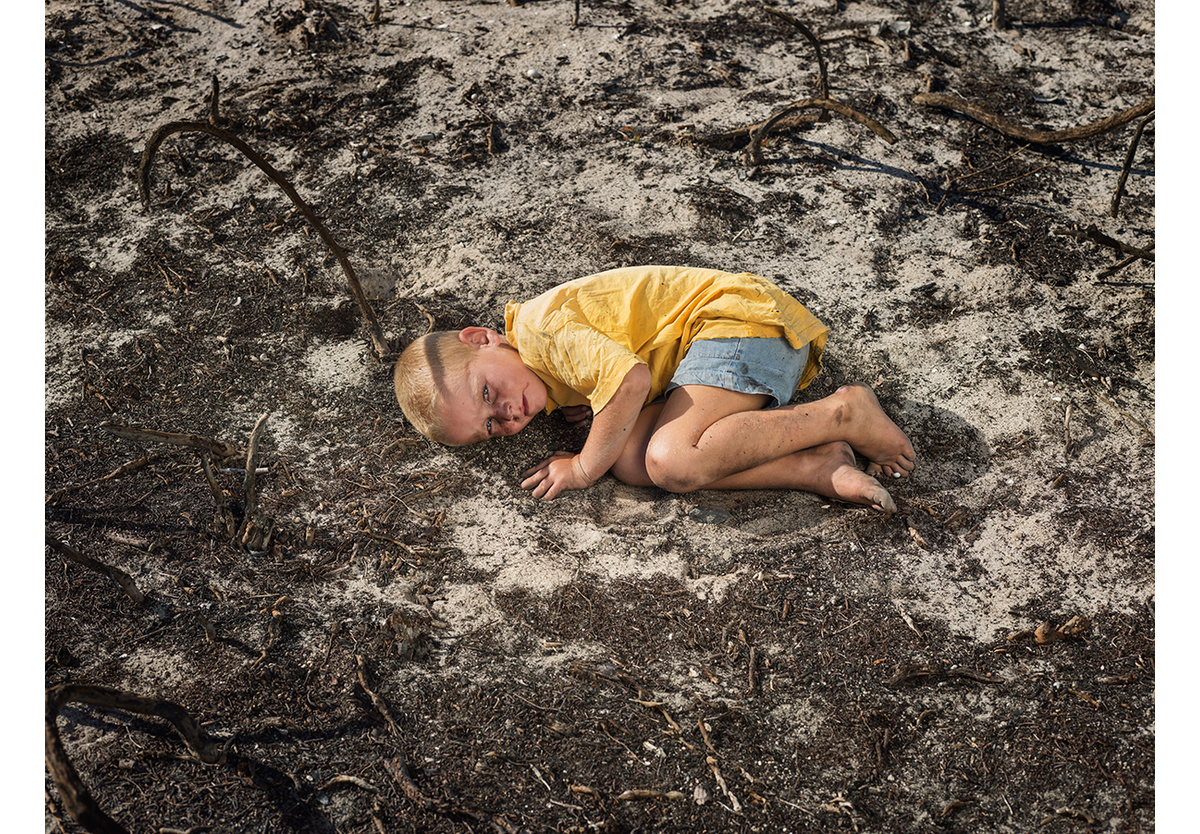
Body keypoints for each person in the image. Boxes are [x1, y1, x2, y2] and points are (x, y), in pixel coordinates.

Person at [394, 265, 915, 512]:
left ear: (483, 338)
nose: (507, 414)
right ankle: (815, 466)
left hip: (741, 323)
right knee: (630, 461)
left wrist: (581, 467)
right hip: (715, 345)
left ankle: (843, 414)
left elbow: (630, 379)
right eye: (491, 427)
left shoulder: (539, 330)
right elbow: (612, 381)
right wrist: (593, 410)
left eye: (488, 394)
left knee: (672, 460)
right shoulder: (544, 375)